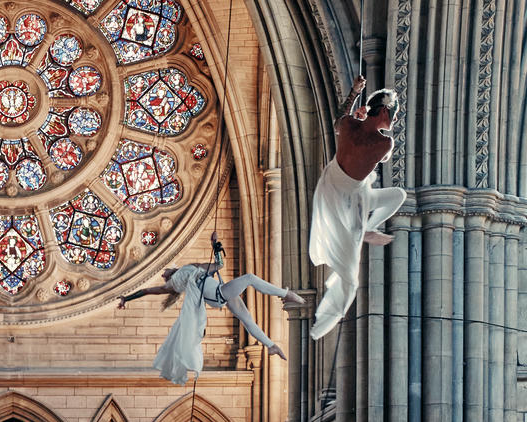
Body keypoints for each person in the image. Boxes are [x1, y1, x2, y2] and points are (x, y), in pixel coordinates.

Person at [117, 235, 303, 384]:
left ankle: (271, 346)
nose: (162, 275)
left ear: (171, 269)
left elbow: (219, 264)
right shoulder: (173, 285)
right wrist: (127, 298)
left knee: (248, 320)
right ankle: (285, 294)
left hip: (220, 292)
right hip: (219, 293)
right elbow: (147, 291)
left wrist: (215, 245)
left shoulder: (190, 268)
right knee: (249, 278)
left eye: (164, 272)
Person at [308, 75, 406, 340]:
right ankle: (319, 329)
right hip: (342, 200)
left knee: (398, 195)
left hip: (346, 191)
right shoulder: (385, 142)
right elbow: (383, 157)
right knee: (350, 279)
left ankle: (366, 228)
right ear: (384, 110)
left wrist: (354, 95)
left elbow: (339, 120)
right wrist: (362, 118)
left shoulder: (351, 125)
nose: (395, 119)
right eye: (394, 113)